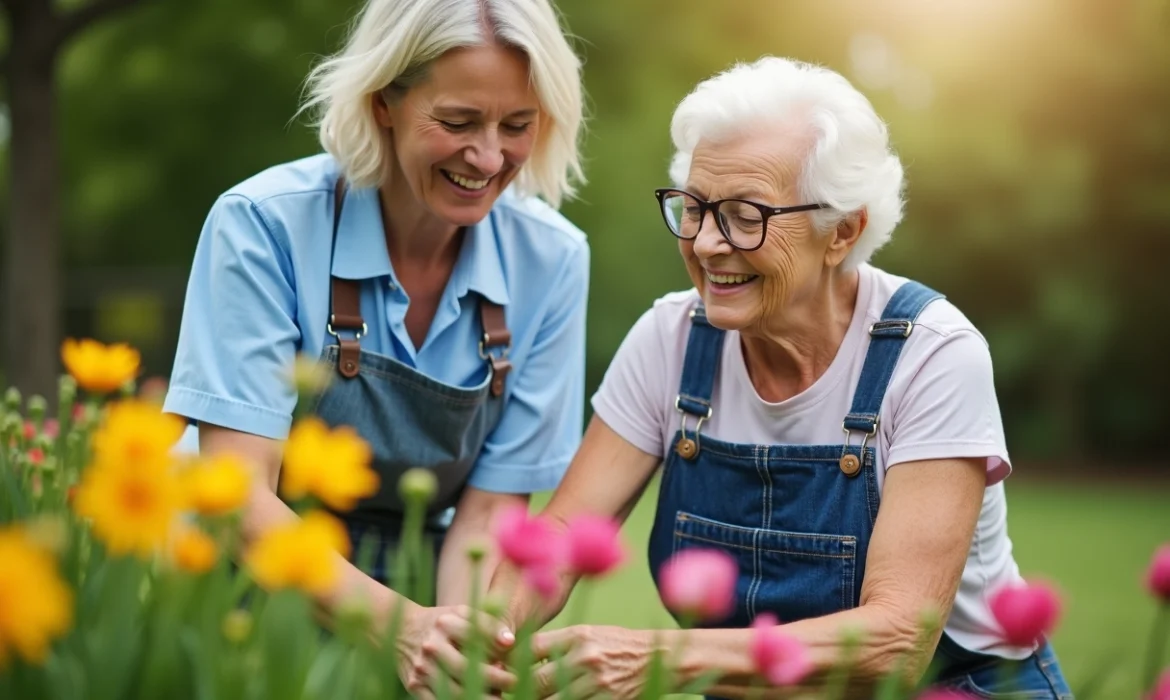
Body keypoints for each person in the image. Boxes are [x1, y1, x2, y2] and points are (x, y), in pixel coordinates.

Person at [471, 57, 1074, 699]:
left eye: (744, 214)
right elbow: (560, 536)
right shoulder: (670, 339)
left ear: (842, 230)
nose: (706, 243)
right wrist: (488, 642)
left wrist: (655, 657)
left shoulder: (932, 353)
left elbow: (897, 641)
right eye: (695, 208)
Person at [162, 0, 588, 695]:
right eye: (456, 122)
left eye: (517, 126)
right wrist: (403, 630)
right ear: (383, 101)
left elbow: (486, 516)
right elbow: (237, 494)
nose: (488, 157)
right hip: (248, 573)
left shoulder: (553, 259)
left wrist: (456, 644)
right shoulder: (264, 226)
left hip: (424, 577)